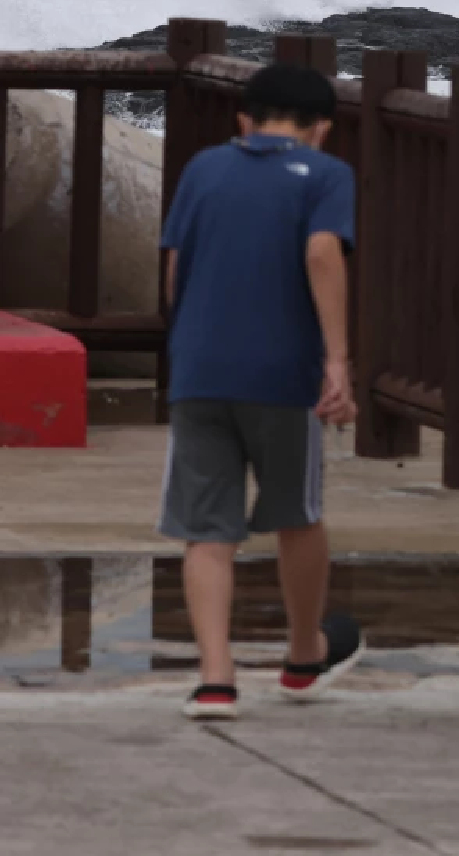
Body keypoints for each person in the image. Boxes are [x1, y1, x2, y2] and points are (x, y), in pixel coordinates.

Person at [159, 62, 365, 721]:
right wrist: (336, 361)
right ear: (321, 130)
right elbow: (321, 254)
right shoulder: (327, 174)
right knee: (296, 515)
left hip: (199, 371)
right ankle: (303, 654)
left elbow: (173, 271)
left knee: (206, 529)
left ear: (243, 120)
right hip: (282, 375)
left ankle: (215, 678)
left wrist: (191, 338)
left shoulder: (202, 169)